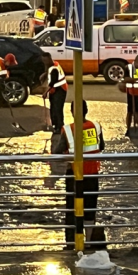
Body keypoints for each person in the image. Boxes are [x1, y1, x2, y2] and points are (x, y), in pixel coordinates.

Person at [51, 100, 104, 248]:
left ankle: (71, 242)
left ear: (72, 112)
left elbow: (57, 151)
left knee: (72, 209)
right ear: (86, 111)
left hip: (75, 175)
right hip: (93, 174)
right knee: (90, 208)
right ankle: (88, 241)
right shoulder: (96, 127)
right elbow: (101, 146)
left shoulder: (68, 130)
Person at [41, 54, 68, 134]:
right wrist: (44, 75)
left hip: (60, 90)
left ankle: (59, 127)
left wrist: (45, 93)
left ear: (49, 59)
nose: (44, 62)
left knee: (57, 109)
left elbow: (52, 82)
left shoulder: (54, 69)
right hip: (56, 90)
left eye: (45, 60)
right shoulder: (54, 64)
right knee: (53, 108)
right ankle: (55, 125)